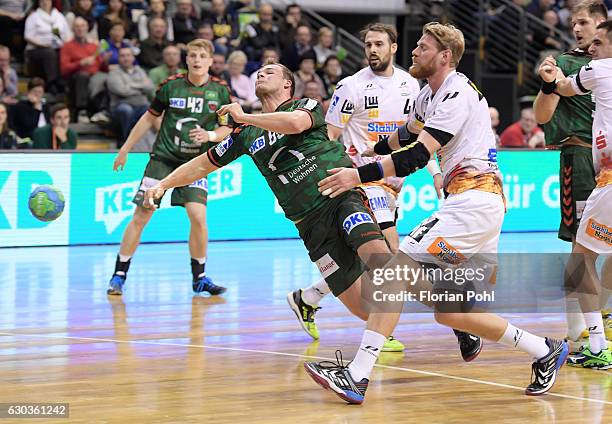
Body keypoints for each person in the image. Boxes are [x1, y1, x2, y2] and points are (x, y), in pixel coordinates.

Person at [303, 22, 568, 404]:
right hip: (477, 205)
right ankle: (545, 350)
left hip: (473, 201)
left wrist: (356, 174)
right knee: (451, 312)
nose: (414, 51)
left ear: (444, 56)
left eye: (423, 47)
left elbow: (414, 157)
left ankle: (357, 375)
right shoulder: (429, 94)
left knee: (394, 271)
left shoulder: (456, 93)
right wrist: (373, 149)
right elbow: (405, 136)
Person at [143, 62, 478, 359]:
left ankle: (454, 318)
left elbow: (293, 123)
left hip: (339, 197)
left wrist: (242, 115)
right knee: (365, 307)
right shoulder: (245, 134)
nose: (261, 72)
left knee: (380, 258)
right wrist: (163, 185)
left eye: (270, 71)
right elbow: (202, 164)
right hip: (310, 225)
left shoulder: (305, 105)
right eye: (259, 71)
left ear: (287, 85)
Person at [286, 23, 431, 353]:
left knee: (367, 258)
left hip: (393, 181)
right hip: (362, 180)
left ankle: (307, 298)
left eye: (379, 44)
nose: (372, 49)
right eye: (368, 44)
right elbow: (330, 137)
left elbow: (421, 134)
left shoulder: (412, 85)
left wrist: (434, 171)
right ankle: (384, 330)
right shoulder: (350, 87)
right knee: (391, 252)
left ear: (394, 47)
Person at [107, 39, 232, 297]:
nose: (197, 59)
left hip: (195, 165)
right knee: (142, 215)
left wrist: (209, 135)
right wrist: (125, 148)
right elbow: (148, 117)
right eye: (192, 55)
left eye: (202, 56)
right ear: (187, 60)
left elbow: (226, 129)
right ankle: (119, 274)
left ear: (210, 61)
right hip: (163, 160)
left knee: (198, 217)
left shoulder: (220, 91)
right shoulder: (170, 86)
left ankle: (200, 278)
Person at [533, 0, 611, 355]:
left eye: (583, 22)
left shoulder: (601, 65)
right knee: (579, 248)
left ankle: (599, 324)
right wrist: (549, 85)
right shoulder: (563, 62)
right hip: (580, 157)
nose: (576, 28)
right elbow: (542, 116)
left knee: (594, 249)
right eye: (573, 22)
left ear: (602, 25)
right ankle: (579, 330)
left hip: (604, 164)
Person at [107, 47, 154, 145]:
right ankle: (125, 141)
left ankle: (151, 143)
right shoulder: (113, 73)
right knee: (125, 110)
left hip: (141, 105)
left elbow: (149, 87)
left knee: (151, 110)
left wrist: (130, 84)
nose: (126, 58)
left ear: (133, 58)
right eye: (122, 56)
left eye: (128, 55)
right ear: (119, 58)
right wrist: (140, 86)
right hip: (121, 105)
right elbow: (122, 91)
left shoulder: (139, 70)